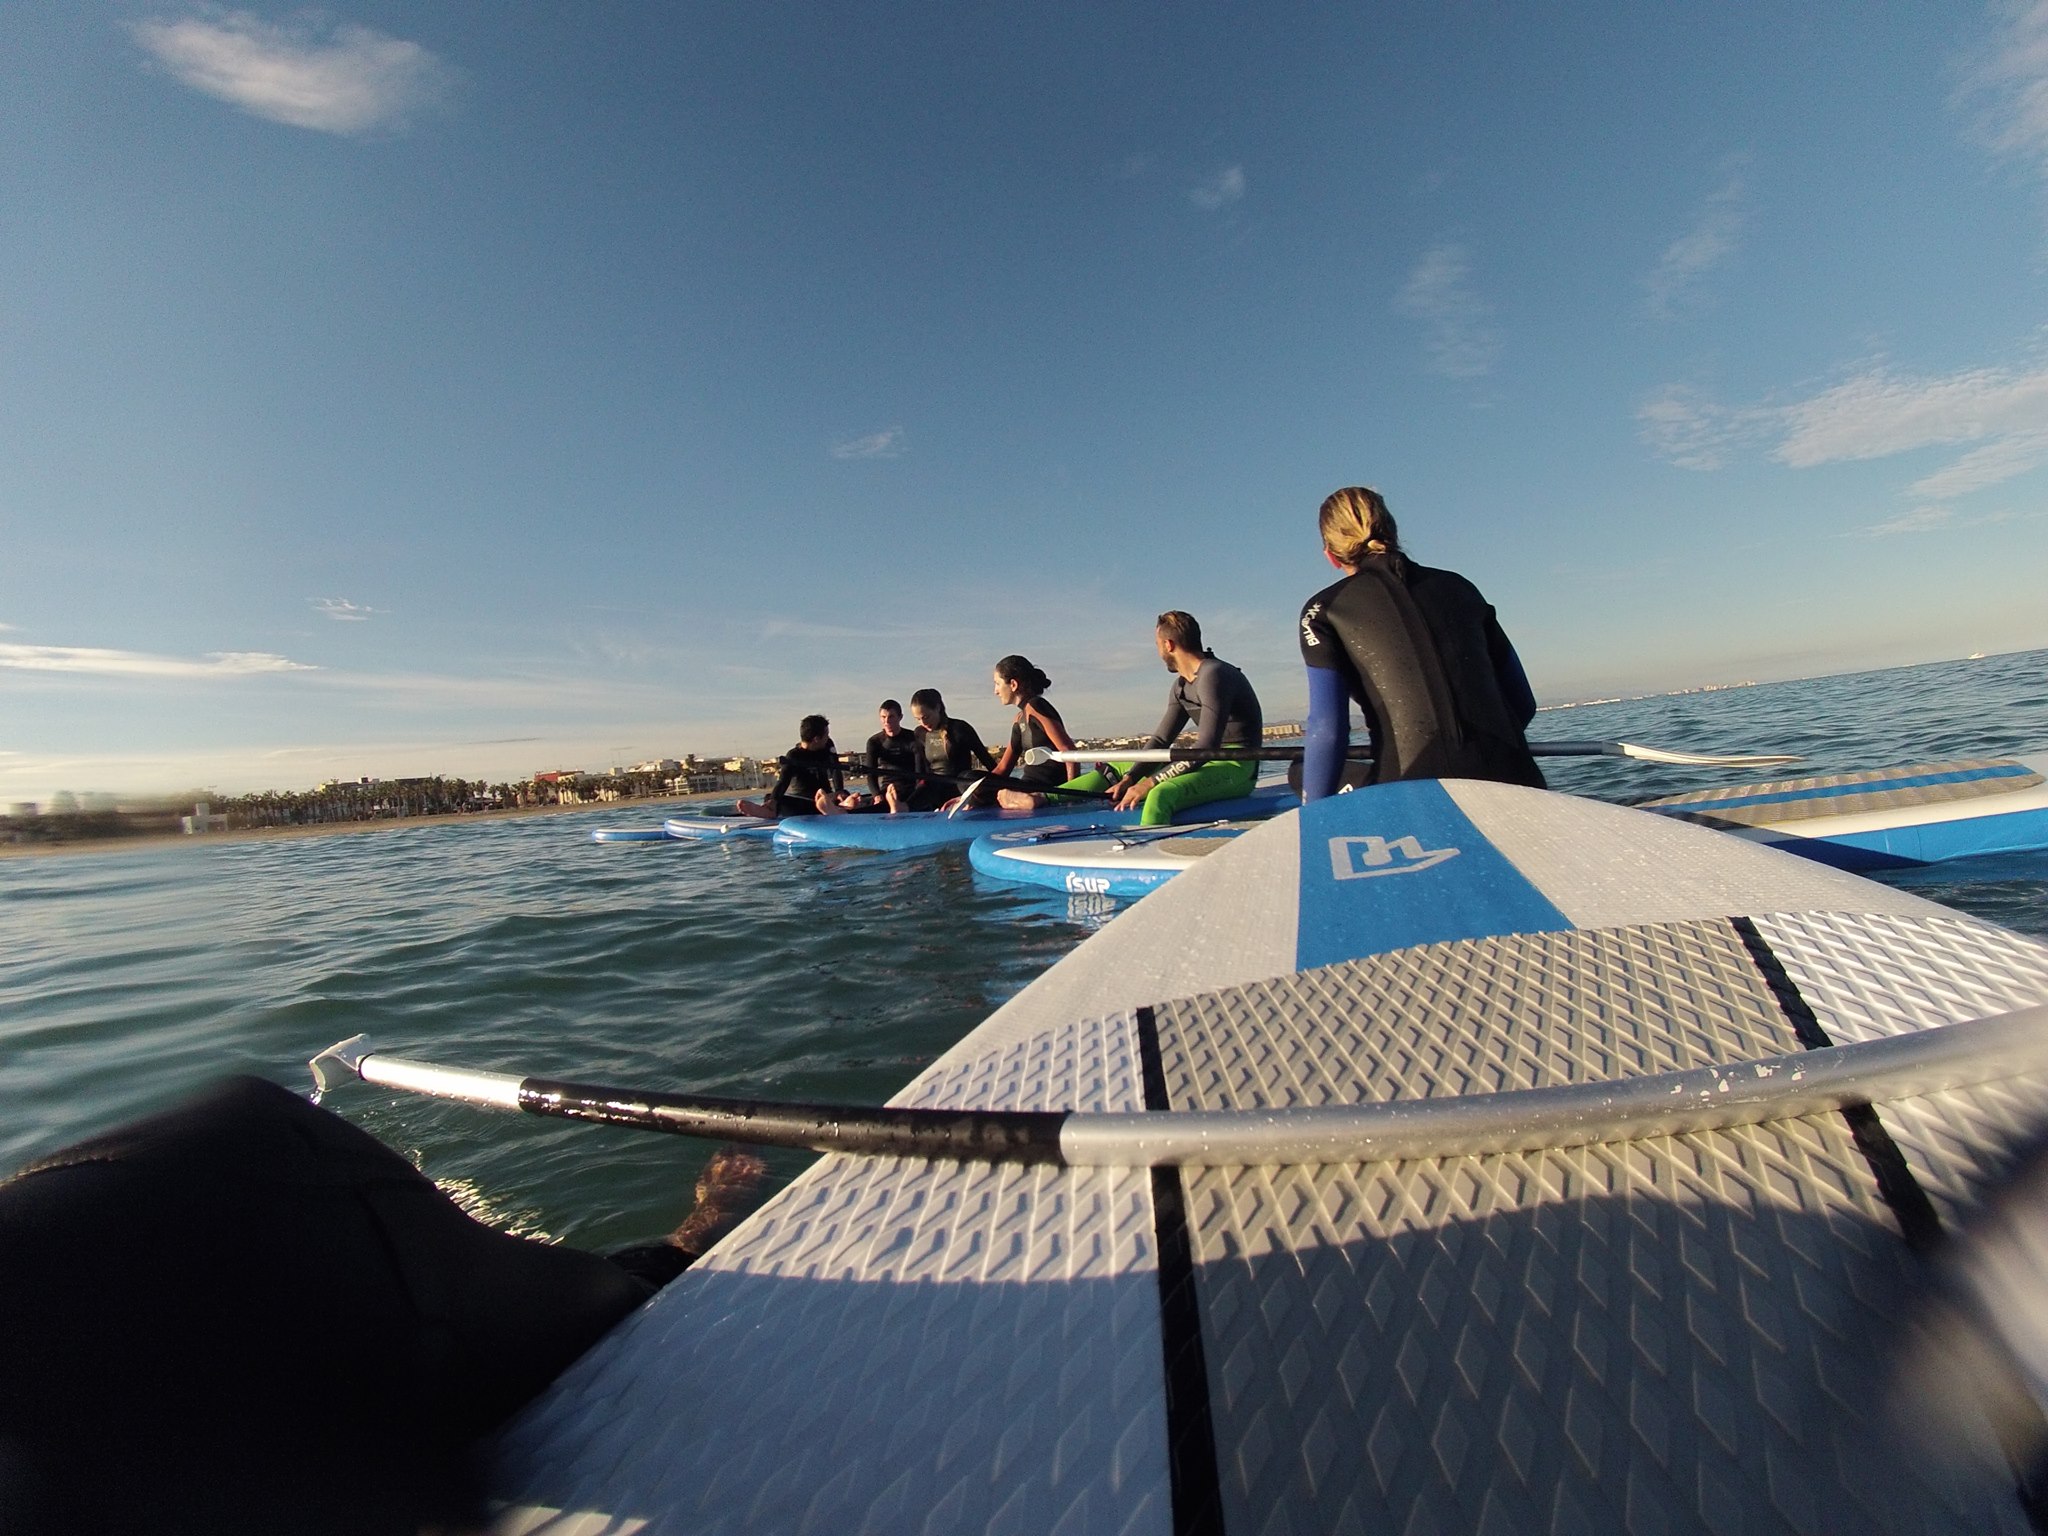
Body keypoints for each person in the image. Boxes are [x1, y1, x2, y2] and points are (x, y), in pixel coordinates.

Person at [1298, 485, 1543, 800]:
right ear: (1393, 532)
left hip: (1410, 791)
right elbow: (1523, 703)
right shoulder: (1461, 587)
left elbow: (1328, 731)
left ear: (1331, 555)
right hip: (1516, 778)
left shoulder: (1322, 611)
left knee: (1298, 770)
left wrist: (1315, 813)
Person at [1067, 612, 1264, 827]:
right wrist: (1131, 778)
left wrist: (1150, 783)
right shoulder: (1181, 686)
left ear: (1168, 645)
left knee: (1161, 793)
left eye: (1157, 645)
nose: (1158, 652)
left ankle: (1149, 845)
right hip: (1205, 759)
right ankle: (1045, 797)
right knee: (1120, 767)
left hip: (1237, 765)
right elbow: (1161, 740)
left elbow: (1207, 746)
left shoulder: (1214, 674)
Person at [986, 656, 1082, 811]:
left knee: (974, 781)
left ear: (1013, 684)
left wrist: (1070, 795)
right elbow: (1003, 768)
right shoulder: (1019, 719)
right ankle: (1018, 799)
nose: (995, 691)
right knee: (969, 778)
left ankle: (1030, 800)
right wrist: (972, 792)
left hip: (1046, 787)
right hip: (1028, 785)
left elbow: (1068, 752)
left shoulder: (1036, 706)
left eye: (997, 684)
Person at [737, 715, 846, 818]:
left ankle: (831, 808)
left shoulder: (827, 746)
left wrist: (839, 791)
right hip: (805, 802)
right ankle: (770, 811)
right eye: (826, 734)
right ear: (816, 739)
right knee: (771, 798)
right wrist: (773, 801)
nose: (828, 737)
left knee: (845, 795)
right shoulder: (793, 755)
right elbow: (783, 781)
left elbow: (835, 769)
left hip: (826, 798)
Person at [906, 688, 995, 811]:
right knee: (920, 791)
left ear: (937, 708)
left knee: (967, 777)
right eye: (918, 719)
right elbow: (923, 769)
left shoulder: (959, 729)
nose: (923, 722)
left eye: (926, 717)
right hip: (935, 788)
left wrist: (1001, 786)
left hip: (959, 786)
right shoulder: (920, 733)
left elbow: (986, 760)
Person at [862, 699, 923, 813]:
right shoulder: (874, 742)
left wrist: (916, 796)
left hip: (909, 788)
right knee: (867, 804)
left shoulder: (913, 738)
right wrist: (876, 795)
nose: (886, 721)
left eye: (891, 717)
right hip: (887, 788)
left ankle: (898, 806)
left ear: (900, 717)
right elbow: (871, 774)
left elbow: (919, 772)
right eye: (883, 717)